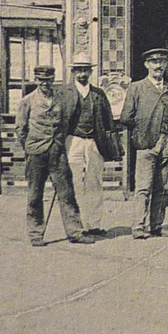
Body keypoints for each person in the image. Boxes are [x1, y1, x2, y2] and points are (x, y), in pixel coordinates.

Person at [13, 65, 90, 246]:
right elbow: (20, 129)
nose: (45, 83)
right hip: (36, 154)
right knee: (34, 195)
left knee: (67, 194)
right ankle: (36, 233)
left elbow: (65, 123)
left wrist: (59, 143)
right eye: (41, 80)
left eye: (48, 80)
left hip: (57, 153)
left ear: (53, 79)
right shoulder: (28, 101)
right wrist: (30, 148)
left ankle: (75, 232)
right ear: (36, 80)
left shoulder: (61, 99)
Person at [117, 47, 168, 239]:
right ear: (147, 65)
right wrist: (141, 133)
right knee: (143, 188)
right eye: (154, 62)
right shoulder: (137, 88)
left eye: (162, 62)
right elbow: (125, 118)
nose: (159, 66)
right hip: (147, 144)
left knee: (163, 188)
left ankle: (156, 225)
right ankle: (138, 227)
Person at [53, 58, 118, 237]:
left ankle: (94, 224)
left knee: (94, 181)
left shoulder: (98, 94)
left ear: (91, 72)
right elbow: (56, 119)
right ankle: (76, 225)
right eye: (78, 70)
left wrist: (109, 142)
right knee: (73, 181)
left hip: (93, 142)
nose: (82, 74)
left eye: (86, 70)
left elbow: (108, 121)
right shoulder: (63, 93)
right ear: (72, 72)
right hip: (72, 141)